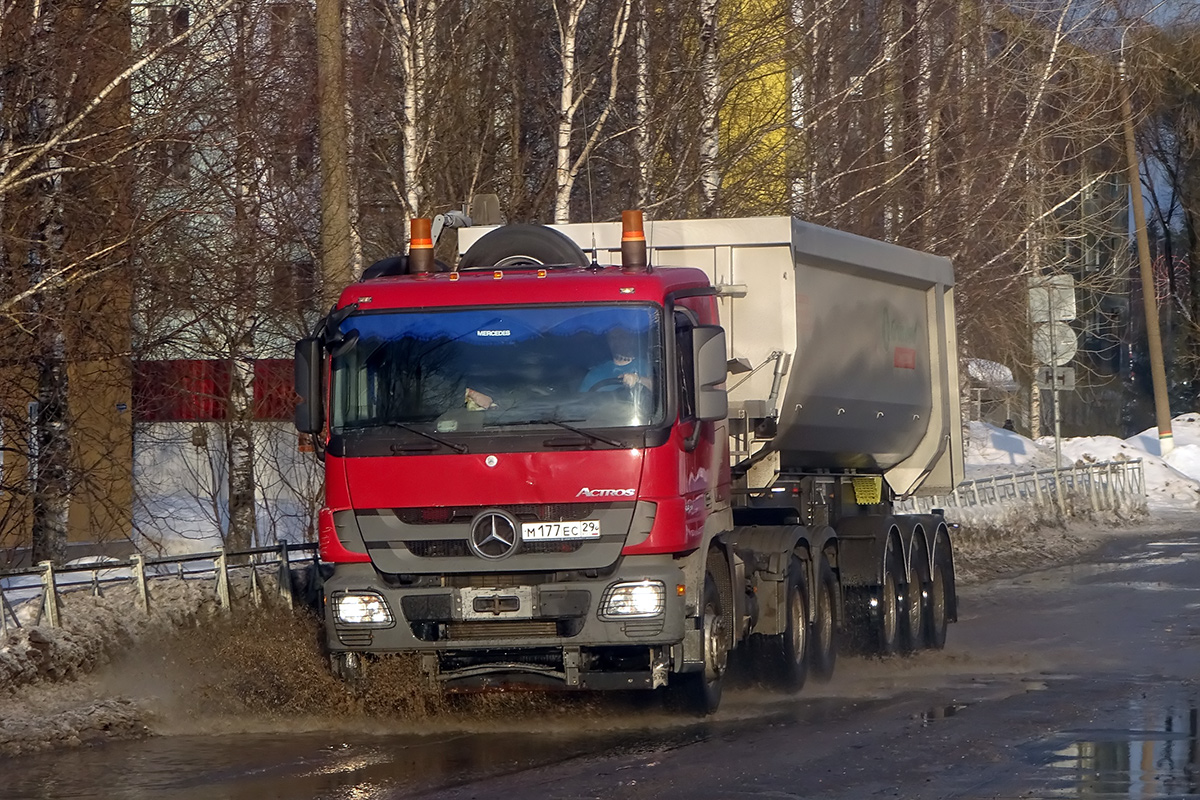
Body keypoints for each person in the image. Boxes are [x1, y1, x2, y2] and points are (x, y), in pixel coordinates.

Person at [580, 328, 652, 392]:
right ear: (608, 341)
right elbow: (580, 403)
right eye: (613, 338)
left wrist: (638, 379)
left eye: (622, 336)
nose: (617, 341)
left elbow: (658, 391)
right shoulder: (595, 374)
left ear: (631, 339)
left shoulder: (645, 366)